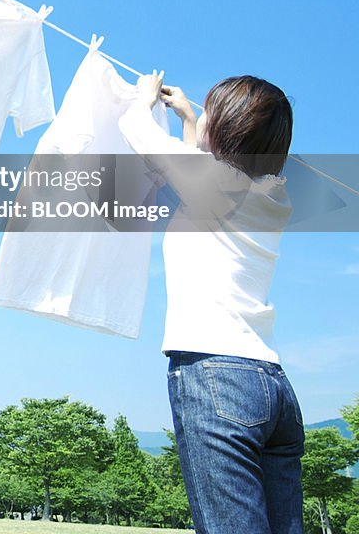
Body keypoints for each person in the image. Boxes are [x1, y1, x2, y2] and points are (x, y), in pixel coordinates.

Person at [117, 71, 303, 534]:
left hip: (219, 378)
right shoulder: (271, 195)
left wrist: (144, 99)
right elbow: (201, 167)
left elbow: (138, 131)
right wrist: (191, 120)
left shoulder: (218, 185)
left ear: (225, 127)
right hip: (272, 387)